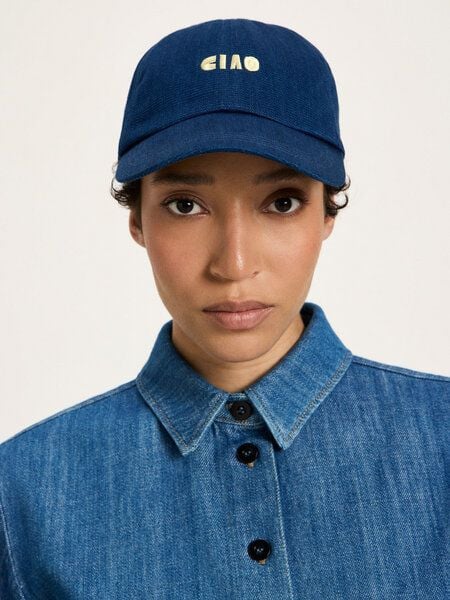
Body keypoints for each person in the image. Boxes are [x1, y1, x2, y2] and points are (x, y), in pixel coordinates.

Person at [0, 18, 448, 600]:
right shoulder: (23, 492)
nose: (234, 265)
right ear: (137, 218)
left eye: (281, 202)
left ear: (328, 213)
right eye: (186, 205)